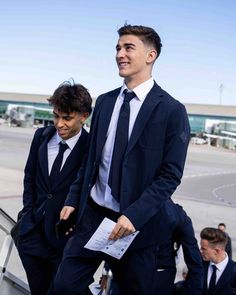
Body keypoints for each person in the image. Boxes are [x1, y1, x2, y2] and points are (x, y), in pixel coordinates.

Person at [53, 24, 190, 295]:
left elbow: (170, 175)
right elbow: (91, 162)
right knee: (64, 286)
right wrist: (72, 198)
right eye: (118, 48)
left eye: (129, 48)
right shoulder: (104, 102)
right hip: (94, 216)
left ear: (150, 56)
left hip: (135, 226)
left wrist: (134, 215)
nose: (120, 54)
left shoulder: (172, 110)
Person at [16, 80, 92, 295]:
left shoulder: (90, 147)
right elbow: (29, 177)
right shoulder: (41, 136)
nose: (59, 124)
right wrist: (27, 217)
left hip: (64, 241)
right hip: (32, 235)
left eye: (67, 118)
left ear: (83, 116)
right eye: (56, 116)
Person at [100, 202, 203, 295]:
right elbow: (194, 259)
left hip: (130, 273)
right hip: (159, 277)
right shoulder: (177, 214)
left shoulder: (131, 208)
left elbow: (115, 241)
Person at [200, 227, 236, 295]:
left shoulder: (234, 272)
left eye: (203, 249)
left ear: (217, 251)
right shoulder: (198, 265)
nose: (200, 251)